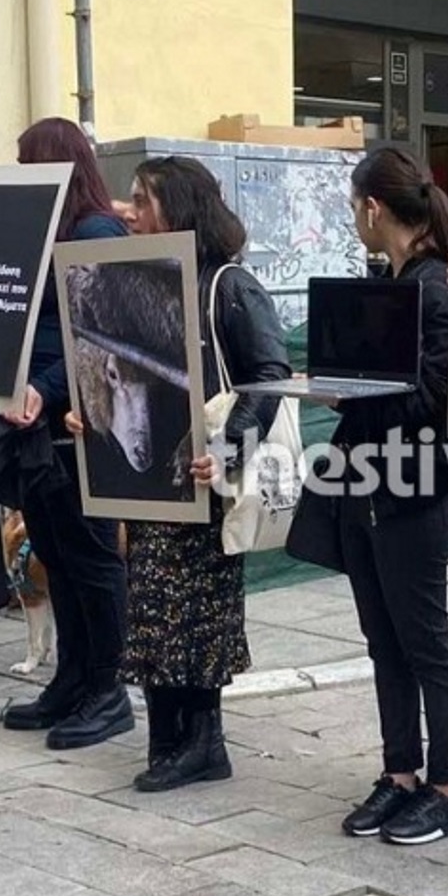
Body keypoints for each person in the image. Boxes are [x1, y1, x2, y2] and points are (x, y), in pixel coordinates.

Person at [78, 156, 289, 792]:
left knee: (196, 619)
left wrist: (227, 450)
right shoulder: (145, 280)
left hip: (206, 487)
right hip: (155, 491)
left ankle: (204, 742)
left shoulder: (228, 285)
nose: (129, 211)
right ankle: (167, 738)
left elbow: (268, 377)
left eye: (142, 201)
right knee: (154, 615)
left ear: (179, 206)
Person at [0, 117, 136, 749]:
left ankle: (108, 688)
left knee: (91, 561)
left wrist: (46, 386)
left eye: (27, 161)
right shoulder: (49, 233)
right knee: (58, 557)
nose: (20, 174)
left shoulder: (96, 230)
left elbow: (99, 333)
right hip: (36, 427)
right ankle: (73, 678)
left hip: (73, 428)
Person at [330, 145, 448, 845]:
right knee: (382, 640)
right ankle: (400, 774)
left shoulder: (434, 288)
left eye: (354, 206)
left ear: (373, 208)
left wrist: (356, 393)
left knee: (424, 642)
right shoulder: (393, 280)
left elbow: (436, 400)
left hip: (415, 491)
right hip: (367, 487)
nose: (354, 218)